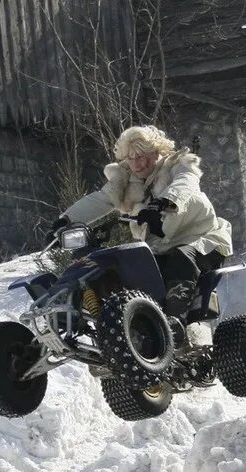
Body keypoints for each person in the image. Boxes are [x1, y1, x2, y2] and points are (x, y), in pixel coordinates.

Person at [58, 125, 233, 326]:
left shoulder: (178, 164)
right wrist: (65, 220)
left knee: (181, 258)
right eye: (130, 158)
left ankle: (174, 323)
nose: (136, 164)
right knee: (115, 267)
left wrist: (162, 203)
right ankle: (96, 320)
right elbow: (103, 199)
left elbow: (186, 183)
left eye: (141, 156)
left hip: (202, 239)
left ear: (156, 151)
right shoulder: (127, 179)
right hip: (158, 248)